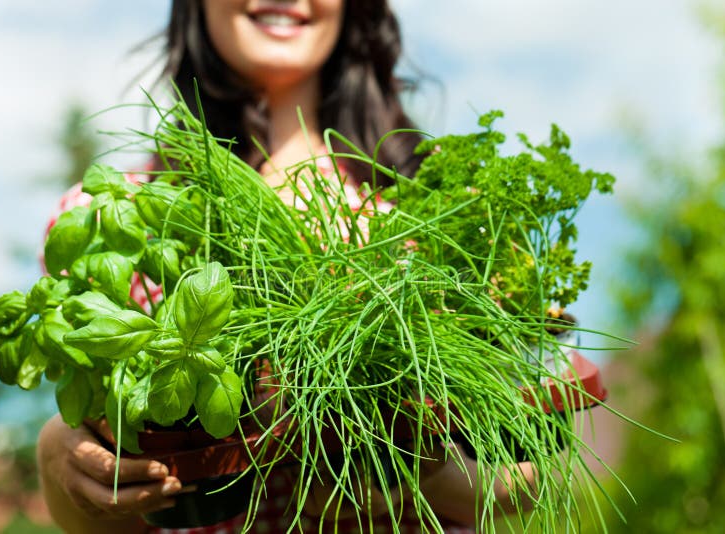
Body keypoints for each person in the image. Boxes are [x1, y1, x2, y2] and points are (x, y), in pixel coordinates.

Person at [36, 1, 537, 532]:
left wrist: (430, 479)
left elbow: (535, 463)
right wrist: (55, 455)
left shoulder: (444, 211)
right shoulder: (117, 220)